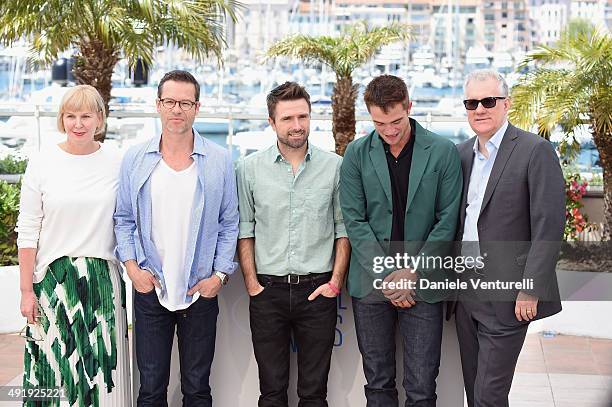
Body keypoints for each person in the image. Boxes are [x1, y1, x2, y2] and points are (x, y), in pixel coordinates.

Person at [113, 70, 239, 406]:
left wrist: (220, 276)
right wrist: (132, 270)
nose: (177, 110)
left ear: (197, 107)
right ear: (158, 105)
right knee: (151, 389)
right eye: (170, 102)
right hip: (151, 289)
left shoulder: (219, 161)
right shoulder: (135, 158)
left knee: (197, 389)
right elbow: (123, 219)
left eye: (185, 102)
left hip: (199, 291)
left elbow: (230, 223)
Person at [339, 74, 462, 406]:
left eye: (396, 120)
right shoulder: (355, 154)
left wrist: (412, 275)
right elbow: (355, 219)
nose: (389, 130)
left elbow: (446, 220)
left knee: (422, 387)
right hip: (371, 283)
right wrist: (388, 277)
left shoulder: (442, 151)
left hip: (424, 282)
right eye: (380, 123)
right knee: (378, 383)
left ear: (409, 106)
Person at [450, 69, 564, 407]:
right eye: (471, 103)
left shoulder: (534, 150)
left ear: (506, 104)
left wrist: (530, 287)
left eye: (488, 101)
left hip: (508, 296)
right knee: (474, 392)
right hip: (464, 293)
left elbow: (548, 225)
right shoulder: (460, 154)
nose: (479, 109)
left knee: (489, 394)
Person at [236, 82, 350, 407]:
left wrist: (335, 283)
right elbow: (246, 230)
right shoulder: (248, 169)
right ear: (272, 122)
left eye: (303, 116)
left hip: (317, 293)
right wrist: (252, 284)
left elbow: (343, 230)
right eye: (287, 118)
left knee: (314, 394)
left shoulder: (335, 167)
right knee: (271, 393)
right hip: (267, 293)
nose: (297, 125)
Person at [17, 84, 131, 406]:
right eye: (70, 116)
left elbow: (129, 221)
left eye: (85, 116)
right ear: (61, 119)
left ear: (99, 118)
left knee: (100, 377)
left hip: (103, 283)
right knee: (53, 376)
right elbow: (27, 230)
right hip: (53, 283)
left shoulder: (118, 162)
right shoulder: (42, 162)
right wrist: (27, 291)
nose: (78, 124)